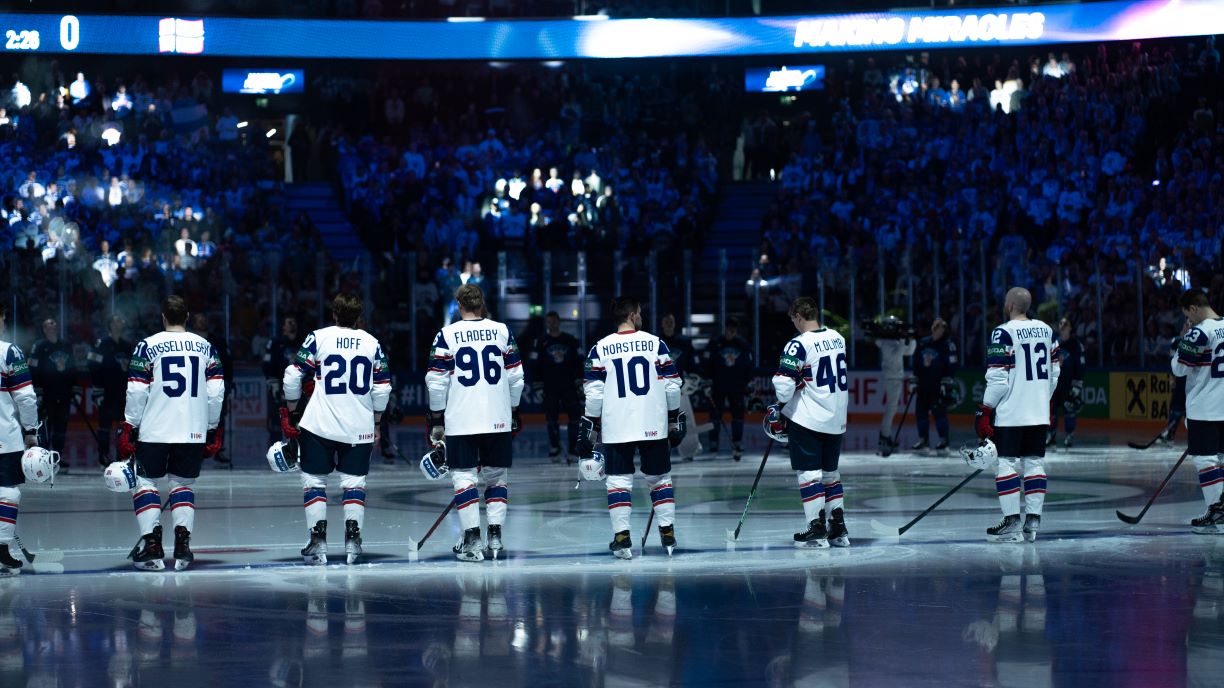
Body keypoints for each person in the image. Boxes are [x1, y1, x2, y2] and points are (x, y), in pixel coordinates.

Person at [117, 296, 226, 571]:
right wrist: (211, 427)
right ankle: (183, 545)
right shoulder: (206, 348)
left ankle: (152, 546)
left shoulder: (147, 345)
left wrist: (130, 424)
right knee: (182, 486)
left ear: (163, 317)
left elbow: (137, 389)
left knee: (145, 484)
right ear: (186, 316)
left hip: (154, 428)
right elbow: (216, 391)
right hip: (192, 429)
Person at [282, 293, 391, 565]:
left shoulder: (318, 337)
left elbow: (292, 375)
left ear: (334, 314)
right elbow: (383, 387)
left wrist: (294, 410)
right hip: (359, 426)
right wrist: (377, 422)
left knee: (314, 482)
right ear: (358, 317)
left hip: (320, 424)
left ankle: (318, 542)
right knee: (354, 483)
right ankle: (353, 541)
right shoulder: (372, 343)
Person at [578, 297, 683, 559]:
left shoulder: (599, 348)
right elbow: (672, 385)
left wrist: (590, 423)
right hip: (653, 423)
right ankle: (667, 532)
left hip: (618, 425)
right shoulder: (655, 343)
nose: (642, 315)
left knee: (618, 482)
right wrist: (673, 418)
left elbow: (594, 393)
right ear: (633, 314)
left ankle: (622, 538)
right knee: (659, 479)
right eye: (640, 312)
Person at [425, 284, 524, 562]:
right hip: (497, 417)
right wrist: (513, 409)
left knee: (464, 477)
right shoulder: (503, 331)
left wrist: (436, 417)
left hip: (462, 419)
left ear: (459, 304)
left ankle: (471, 539)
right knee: (496, 478)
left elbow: (435, 382)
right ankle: (495, 536)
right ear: (482, 303)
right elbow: (517, 378)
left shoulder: (447, 334)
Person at [974, 287, 1060, 543]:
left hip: (1012, 413)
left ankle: (1012, 519)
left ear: (1011, 304)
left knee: (1007, 463)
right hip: (1038, 411)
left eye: (1004, 300)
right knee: (1034, 463)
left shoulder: (1003, 332)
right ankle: (1032, 520)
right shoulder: (1047, 330)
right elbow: (1055, 372)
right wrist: (1043, 398)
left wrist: (985, 409)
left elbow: (999, 379)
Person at [766, 296, 850, 548]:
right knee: (831, 473)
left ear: (798, 317)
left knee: (809, 474)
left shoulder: (798, 344)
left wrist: (781, 402)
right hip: (836, 415)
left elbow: (783, 387)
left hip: (809, 418)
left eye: (793, 319)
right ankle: (838, 527)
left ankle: (816, 527)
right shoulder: (838, 338)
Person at [1173, 291, 1224, 534]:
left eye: (1187, 315)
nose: (1188, 321)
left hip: (1204, 408)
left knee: (1206, 460)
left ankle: (1217, 511)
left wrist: (1182, 339)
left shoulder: (1200, 331)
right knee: (1221, 459)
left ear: (1193, 308)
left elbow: (1180, 369)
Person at [0, 303, 40, 575]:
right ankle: (2, 548)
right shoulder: (9, 352)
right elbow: (25, 396)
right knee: (8, 490)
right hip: (5, 436)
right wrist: (30, 430)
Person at [531, 311, 583, 462]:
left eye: (554, 321)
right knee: (551, 419)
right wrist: (538, 386)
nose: (552, 324)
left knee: (574, 418)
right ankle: (555, 448)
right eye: (549, 321)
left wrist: (580, 383)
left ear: (559, 322)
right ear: (546, 323)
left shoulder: (571, 340)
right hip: (549, 387)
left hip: (569, 386)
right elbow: (534, 365)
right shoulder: (541, 342)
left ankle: (573, 448)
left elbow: (580, 362)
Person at [703, 317, 752, 460]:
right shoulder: (715, 343)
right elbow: (707, 364)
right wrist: (707, 381)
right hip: (718, 386)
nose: (730, 331)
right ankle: (713, 442)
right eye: (729, 328)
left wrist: (748, 382)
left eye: (733, 329)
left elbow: (749, 365)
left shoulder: (742, 344)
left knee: (738, 416)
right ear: (724, 328)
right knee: (715, 416)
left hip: (737, 387)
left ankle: (737, 441)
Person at [29, 318, 76, 461]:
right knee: (45, 426)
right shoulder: (39, 346)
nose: (52, 327)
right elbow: (32, 369)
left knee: (61, 426)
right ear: (44, 329)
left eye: (54, 324)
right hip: (46, 394)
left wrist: (75, 389)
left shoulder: (66, 345)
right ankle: (43, 458)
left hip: (64, 393)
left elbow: (73, 369)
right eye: (48, 325)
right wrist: (37, 392)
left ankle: (57, 456)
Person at [191, 314, 234, 466]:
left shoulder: (219, 341)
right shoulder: (188, 340)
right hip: (194, 386)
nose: (202, 322)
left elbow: (228, 363)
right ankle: (194, 449)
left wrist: (230, 384)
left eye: (204, 319)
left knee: (219, 416)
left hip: (217, 384)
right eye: (199, 320)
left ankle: (218, 448)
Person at [88, 314, 131, 466]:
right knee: (105, 426)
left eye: (121, 319)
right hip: (106, 392)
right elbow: (93, 366)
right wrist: (97, 389)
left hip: (123, 392)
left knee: (123, 426)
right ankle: (104, 457)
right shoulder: (102, 344)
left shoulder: (127, 346)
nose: (121, 321)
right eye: (118, 320)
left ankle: (122, 455)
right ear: (111, 325)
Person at [911, 318, 958, 452]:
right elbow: (916, 363)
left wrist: (947, 380)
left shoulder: (948, 345)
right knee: (921, 413)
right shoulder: (923, 343)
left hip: (938, 386)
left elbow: (952, 365)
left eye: (942, 330)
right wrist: (914, 379)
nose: (939, 333)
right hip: (923, 385)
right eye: (937, 330)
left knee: (939, 413)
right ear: (933, 329)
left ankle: (944, 440)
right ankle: (923, 440)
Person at [660, 312, 701, 462]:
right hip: (660, 390)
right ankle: (662, 452)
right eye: (666, 321)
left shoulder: (684, 341)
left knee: (685, 421)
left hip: (680, 388)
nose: (669, 324)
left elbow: (693, 365)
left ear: (675, 323)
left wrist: (695, 377)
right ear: (662, 324)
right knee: (661, 422)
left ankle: (689, 451)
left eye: (671, 321)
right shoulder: (656, 342)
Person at [873, 316, 916, 457]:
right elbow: (896, 356)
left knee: (892, 408)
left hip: (895, 376)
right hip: (892, 377)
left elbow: (908, 352)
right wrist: (903, 340)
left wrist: (911, 338)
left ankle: (886, 434)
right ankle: (884, 435)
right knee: (891, 408)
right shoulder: (885, 342)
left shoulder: (891, 341)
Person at [1048, 317, 1085, 448]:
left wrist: (1077, 384)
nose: (1063, 330)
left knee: (1069, 408)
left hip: (1069, 383)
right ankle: (1051, 434)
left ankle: (1069, 435)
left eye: (1066, 327)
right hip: (1055, 382)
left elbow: (1079, 366)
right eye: (1061, 327)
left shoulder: (1076, 345)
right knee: (1051, 409)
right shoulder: (1053, 343)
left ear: (1070, 329)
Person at [263, 316, 299, 446]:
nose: (292, 324)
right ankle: (275, 448)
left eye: (293, 322)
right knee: (277, 418)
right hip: (278, 384)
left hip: (298, 386)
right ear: (283, 327)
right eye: (289, 322)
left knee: (296, 420)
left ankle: (296, 450)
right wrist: (273, 383)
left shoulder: (303, 343)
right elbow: (267, 365)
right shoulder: (276, 343)